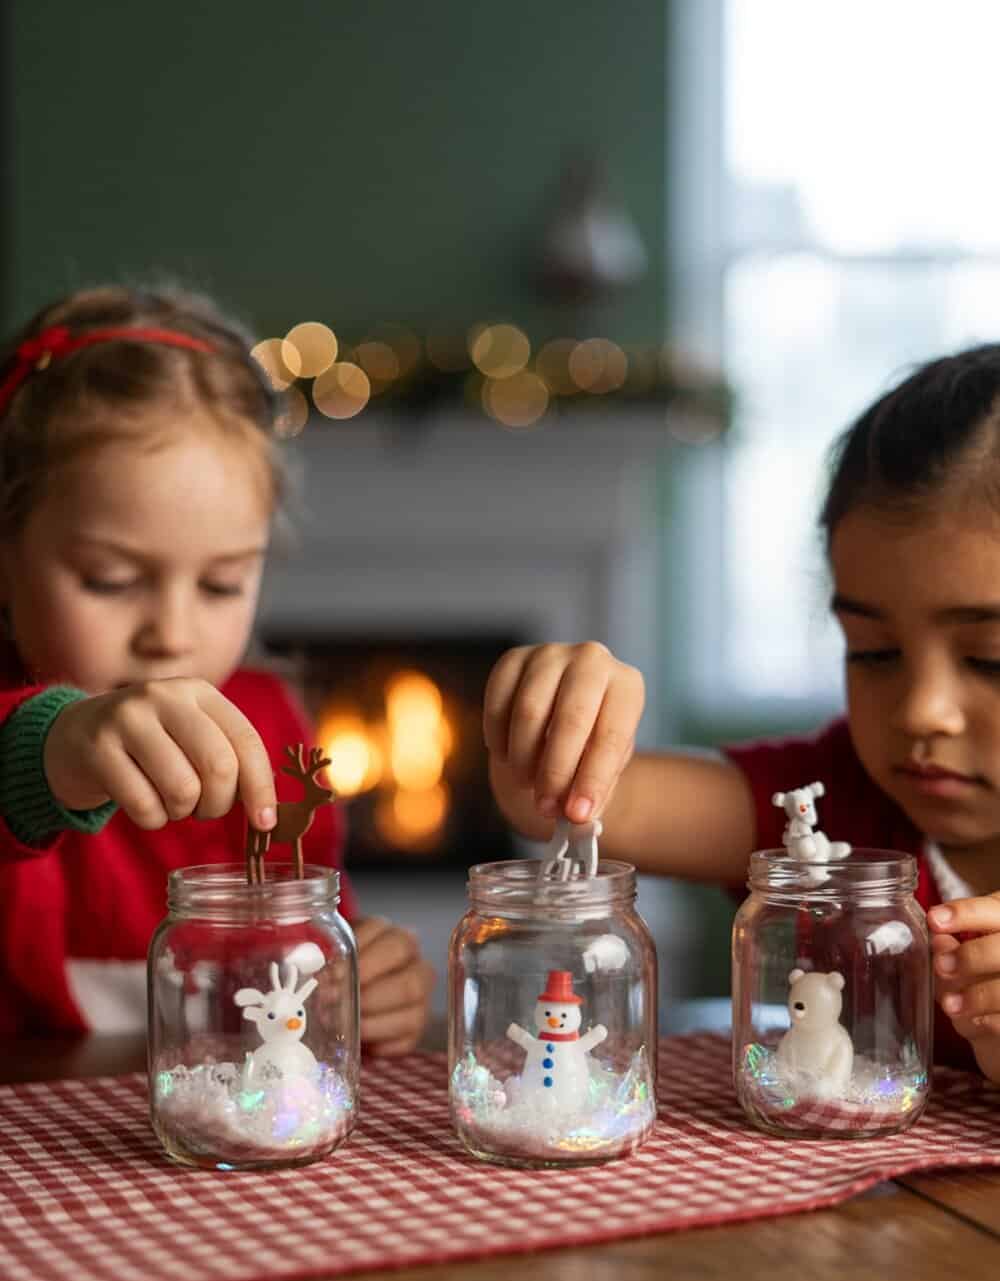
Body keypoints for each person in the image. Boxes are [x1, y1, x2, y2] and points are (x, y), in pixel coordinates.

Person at [484, 344, 1000, 1083]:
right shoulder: (830, 813)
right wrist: (557, 707)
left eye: (990, 657)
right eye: (874, 651)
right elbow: (541, 800)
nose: (923, 711)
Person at [0, 282, 433, 1051]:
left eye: (221, 584)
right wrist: (54, 749)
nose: (171, 634)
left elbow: (307, 958)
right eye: (110, 579)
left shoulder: (272, 732)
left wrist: (359, 981)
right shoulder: (29, 744)